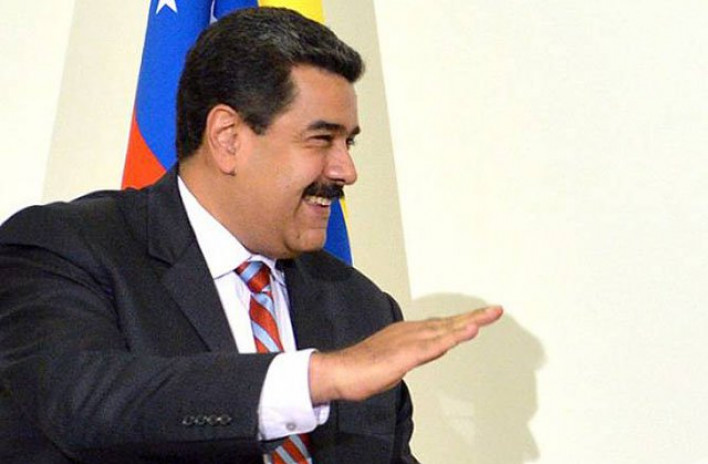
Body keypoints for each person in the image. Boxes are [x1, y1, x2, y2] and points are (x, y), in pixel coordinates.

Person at [0, 7, 502, 464]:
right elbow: (85, 404)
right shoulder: (66, 247)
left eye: (348, 143)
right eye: (321, 139)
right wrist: (315, 379)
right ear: (228, 139)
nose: (346, 170)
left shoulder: (360, 307)